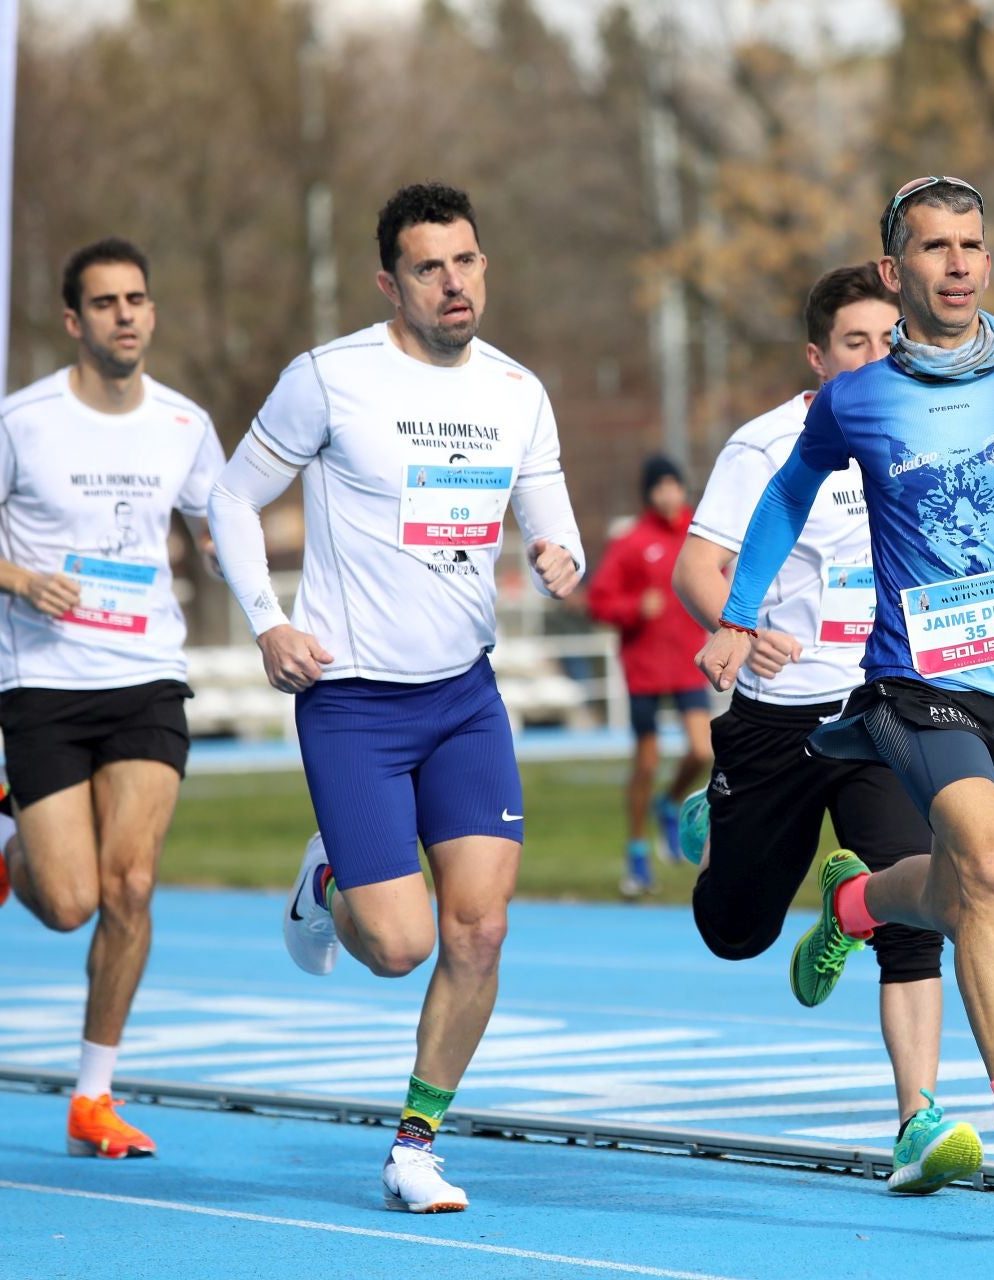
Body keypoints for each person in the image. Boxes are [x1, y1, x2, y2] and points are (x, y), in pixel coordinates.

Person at [695, 176, 994, 1185]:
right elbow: (785, 494)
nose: (959, 263)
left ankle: (857, 902)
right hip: (913, 682)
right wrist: (739, 615)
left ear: (990, 261)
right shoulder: (857, 399)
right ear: (897, 271)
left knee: (956, 891)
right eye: (937, 247)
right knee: (992, 873)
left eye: (973, 246)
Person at [206, 183, 584, 1214]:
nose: (454, 282)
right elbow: (230, 498)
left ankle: (416, 1143)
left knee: (480, 930)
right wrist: (267, 622)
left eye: (467, 260)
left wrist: (561, 555)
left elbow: (558, 526)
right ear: (391, 282)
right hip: (354, 703)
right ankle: (324, 886)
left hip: (464, 696)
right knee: (401, 943)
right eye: (430, 266)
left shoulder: (517, 390)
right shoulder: (329, 379)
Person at [670, 263, 981, 1194]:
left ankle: (918, 1120)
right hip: (777, 723)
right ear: (819, 359)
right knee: (736, 931)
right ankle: (714, 824)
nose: (879, 357)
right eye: (857, 343)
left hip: (885, 709)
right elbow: (699, 566)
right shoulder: (767, 446)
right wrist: (739, 625)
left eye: (892, 339)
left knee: (921, 915)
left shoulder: (930, 435)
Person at [0, 237, 225, 1160]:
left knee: (130, 886)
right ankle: (2, 815)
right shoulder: (25, 423)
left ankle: (93, 1097)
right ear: (74, 320)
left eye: (138, 299)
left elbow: (222, 530)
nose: (126, 315)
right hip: (46, 683)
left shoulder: (184, 425)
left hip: (146, 678)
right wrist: (19, 581)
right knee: (67, 903)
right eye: (105, 303)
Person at [585, 455, 711, 895]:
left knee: (702, 749)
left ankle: (670, 802)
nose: (668, 495)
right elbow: (598, 601)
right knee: (647, 762)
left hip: (690, 663)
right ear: (648, 494)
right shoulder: (631, 542)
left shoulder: (700, 529)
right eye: (659, 487)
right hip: (644, 669)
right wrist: (634, 608)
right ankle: (637, 852)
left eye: (674, 486)